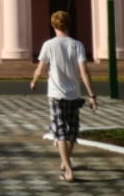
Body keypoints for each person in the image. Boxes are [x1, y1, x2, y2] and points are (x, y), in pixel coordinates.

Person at [30, 10, 98, 182]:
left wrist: (34, 81)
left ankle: (68, 170)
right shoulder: (77, 45)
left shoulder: (49, 45)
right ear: (69, 24)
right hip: (74, 94)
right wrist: (92, 95)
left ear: (53, 25)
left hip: (56, 95)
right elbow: (84, 72)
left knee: (60, 132)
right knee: (72, 130)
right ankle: (66, 160)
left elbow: (41, 68)